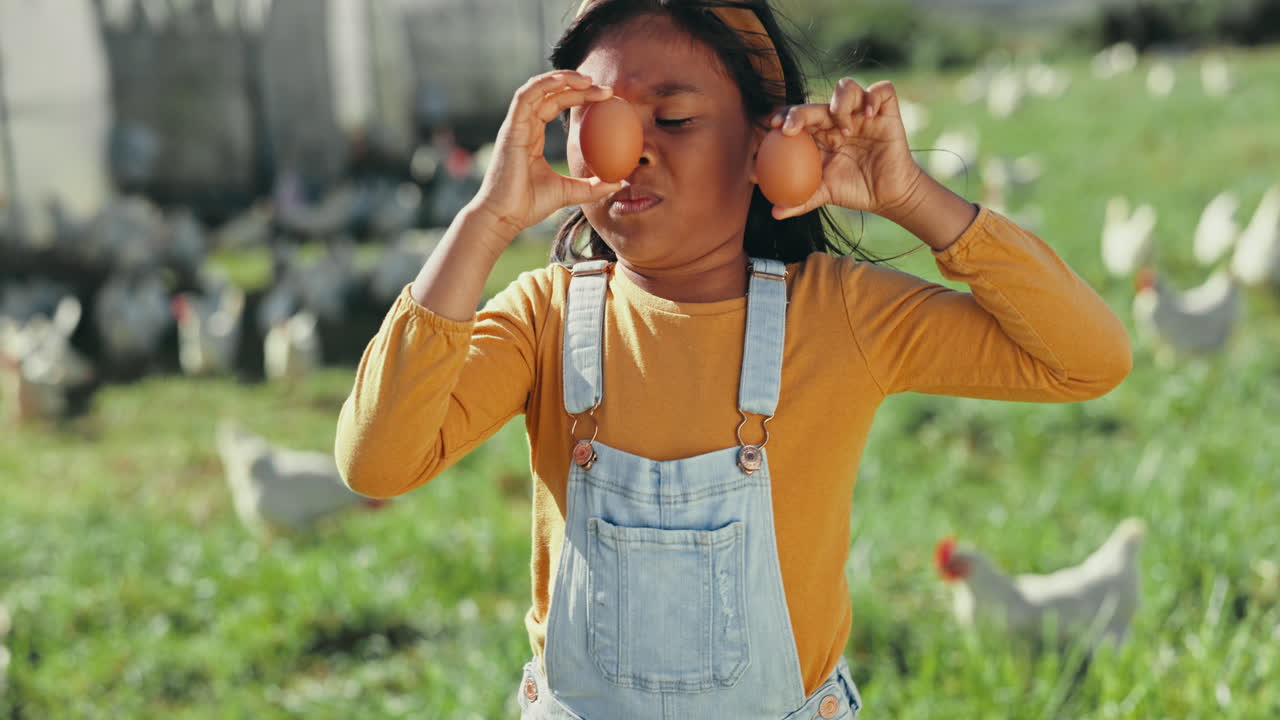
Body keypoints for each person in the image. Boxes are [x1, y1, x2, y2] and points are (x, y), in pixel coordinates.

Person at [334, 1, 1132, 717]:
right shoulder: (544, 318)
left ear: (764, 140)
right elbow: (376, 462)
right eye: (598, 118)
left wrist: (912, 197)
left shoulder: (839, 315)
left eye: (672, 120)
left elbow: (1086, 359)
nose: (629, 152)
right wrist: (485, 221)